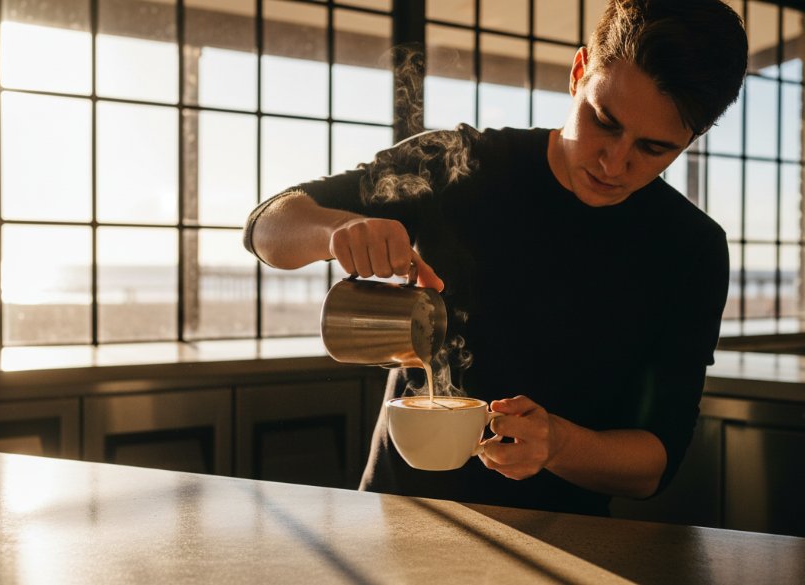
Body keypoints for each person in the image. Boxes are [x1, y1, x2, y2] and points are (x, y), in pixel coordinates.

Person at [243, 0, 748, 517]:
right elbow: (266, 229)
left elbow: (655, 466)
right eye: (604, 121)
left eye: (653, 148)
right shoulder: (460, 163)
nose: (613, 162)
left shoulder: (690, 249)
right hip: (394, 516)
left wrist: (560, 445)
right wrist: (336, 228)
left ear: (692, 137)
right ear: (579, 73)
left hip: (564, 541)